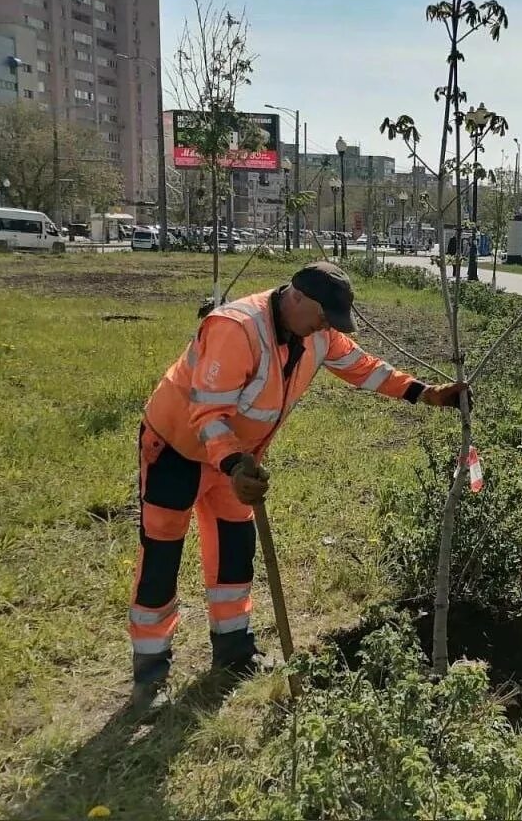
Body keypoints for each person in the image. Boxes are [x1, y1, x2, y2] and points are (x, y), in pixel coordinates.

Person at [129, 261, 467, 701]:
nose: (327, 327)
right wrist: (232, 465)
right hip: (176, 449)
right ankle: (151, 670)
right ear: (299, 299)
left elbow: (362, 366)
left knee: (235, 548)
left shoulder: (317, 332)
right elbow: (207, 414)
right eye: (324, 316)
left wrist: (422, 392)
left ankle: (232, 648)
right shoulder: (236, 329)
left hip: (238, 463)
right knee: (161, 553)